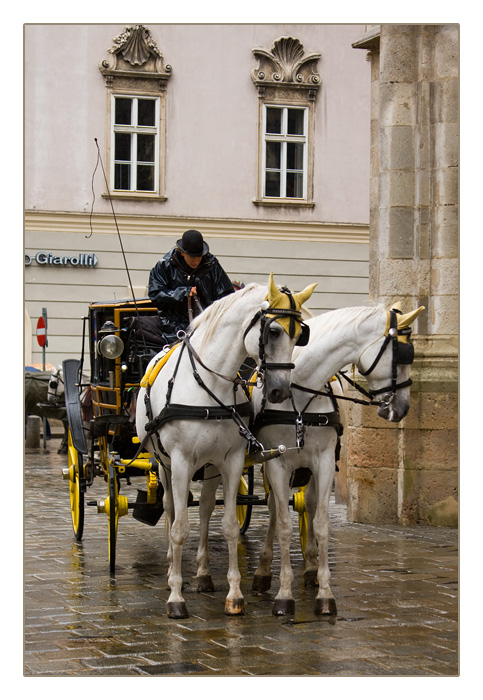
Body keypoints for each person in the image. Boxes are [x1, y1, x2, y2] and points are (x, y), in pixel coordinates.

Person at [148, 229, 235, 344]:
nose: (196, 261)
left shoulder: (212, 265)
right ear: (182, 253)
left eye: (199, 257)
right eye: (192, 258)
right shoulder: (165, 266)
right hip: (173, 327)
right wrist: (182, 293)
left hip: (207, 325)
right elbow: (155, 295)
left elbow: (227, 295)